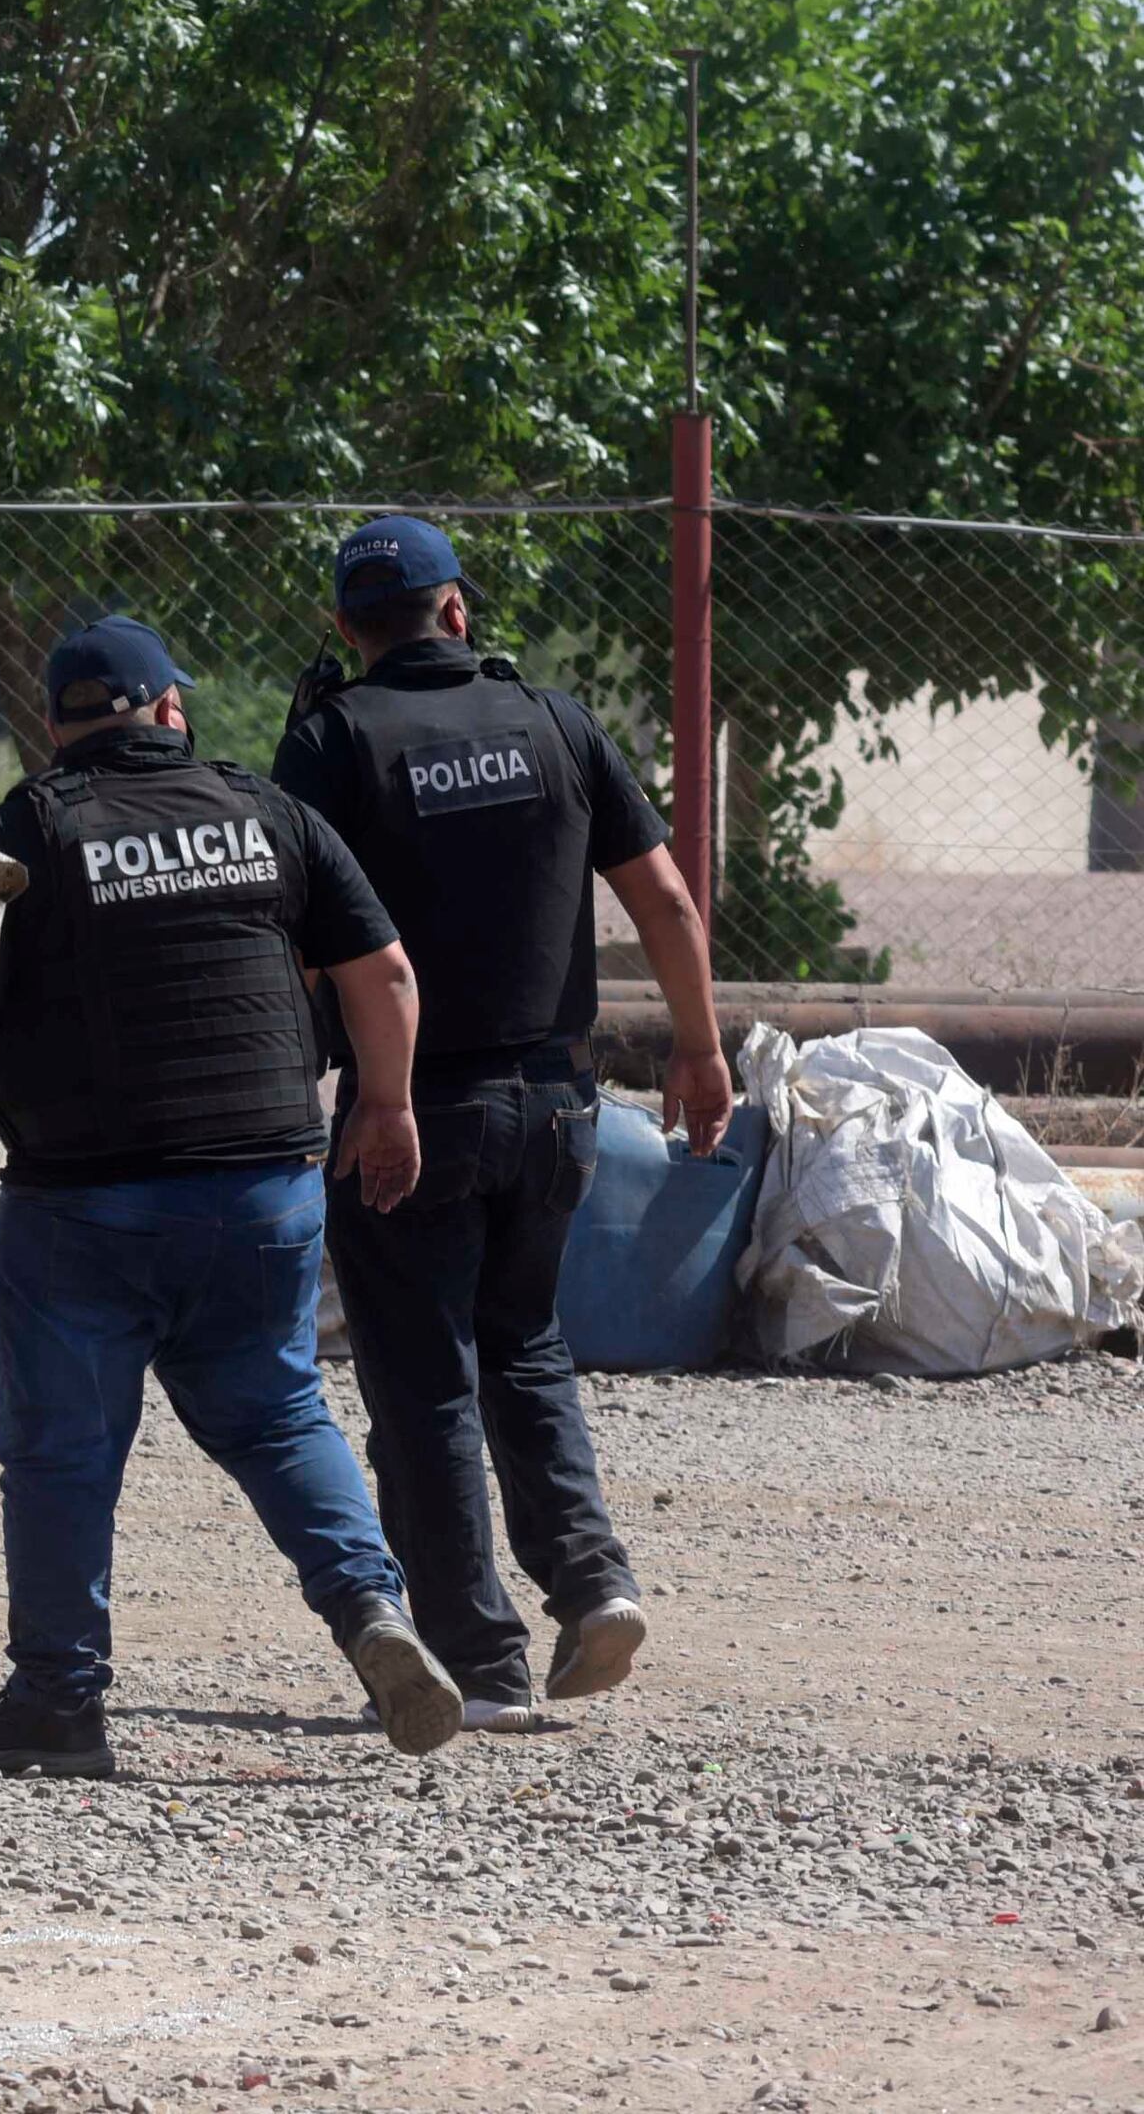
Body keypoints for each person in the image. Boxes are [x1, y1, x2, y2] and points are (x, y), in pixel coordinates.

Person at [0, 615, 467, 1778]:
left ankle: (59, 1701)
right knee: (277, 1413)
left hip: (83, 1205)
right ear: (172, 711)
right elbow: (385, 972)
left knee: (61, 1451)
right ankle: (369, 1608)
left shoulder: (28, 826)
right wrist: (385, 1106)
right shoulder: (268, 813)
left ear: (58, 731)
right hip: (261, 1187)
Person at [274, 514, 731, 1730]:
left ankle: (477, 1664)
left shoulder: (331, 740)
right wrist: (696, 1047)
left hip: (404, 1113)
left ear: (345, 629)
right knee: (522, 1346)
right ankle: (591, 1582)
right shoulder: (554, 720)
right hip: (553, 1105)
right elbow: (667, 901)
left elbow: (288, 935)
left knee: (423, 1378)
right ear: (458, 612)